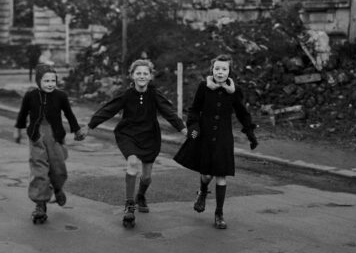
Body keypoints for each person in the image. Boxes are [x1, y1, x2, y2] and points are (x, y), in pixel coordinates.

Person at [84, 59, 187, 228]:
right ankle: (129, 205)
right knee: (132, 163)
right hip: (128, 134)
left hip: (150, 136)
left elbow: (169, 112)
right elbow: (108, 110)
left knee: (146, 177)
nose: (142, 76)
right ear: (132, 76)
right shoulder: (126, 94)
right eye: (138, 73)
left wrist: (183, 129)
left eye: (145, 73)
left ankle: (141, 195)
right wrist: (89, 126)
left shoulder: (154, 94)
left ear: (150, 76)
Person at [174, 54, 258, 230]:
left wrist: (250, 133)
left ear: (229, 71)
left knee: (221, 175)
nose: (220, 72)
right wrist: (194, 127)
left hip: (223, 138)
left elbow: (242, 113)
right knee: (206, 175)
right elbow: (194, 110)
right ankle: (203, 192)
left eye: (224, 69)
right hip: (205, 135)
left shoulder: (235, 91)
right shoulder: (204, 87)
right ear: (212, 70)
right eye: (217, 68)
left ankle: (219, 214)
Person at [14, 64, 86, 224]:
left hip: (55, 137)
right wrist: (18, 130)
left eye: (53, 80)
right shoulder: (30, 96)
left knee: (58, 169)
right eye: (46, 80)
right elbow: (22, 114)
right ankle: (40, 205)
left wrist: (76, 130)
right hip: (36, 136)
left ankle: (58, 189)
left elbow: (69, 114)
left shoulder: (61, 96)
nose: (50, 84)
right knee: (39, 170)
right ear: (38, 81)